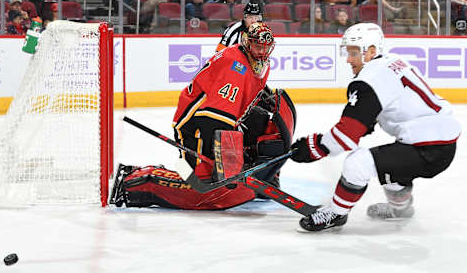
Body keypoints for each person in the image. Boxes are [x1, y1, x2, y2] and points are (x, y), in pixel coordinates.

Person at [291, 22, 461, 232]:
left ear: (371, 52)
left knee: (357, 163)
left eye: (354, 53)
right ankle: (401, 209)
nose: (349, 59)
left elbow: (346, 136)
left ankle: (336, 214)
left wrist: (314, 147)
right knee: (390, 166)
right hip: (441, 144)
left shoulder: (368, 80)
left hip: (426, 147)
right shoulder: (393, 62)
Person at [111, 22, 297, 210]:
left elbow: (243, 101)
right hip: (194, 124)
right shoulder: (235, 64)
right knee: (200, 184)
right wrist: (228, 164)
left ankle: (266, 175)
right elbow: (215, 119)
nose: (262, 51)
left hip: (216, 118)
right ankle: (135, 179)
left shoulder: (258, 63)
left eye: (266, 47)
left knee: (259, 120)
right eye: (258, 46)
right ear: (247, 42)